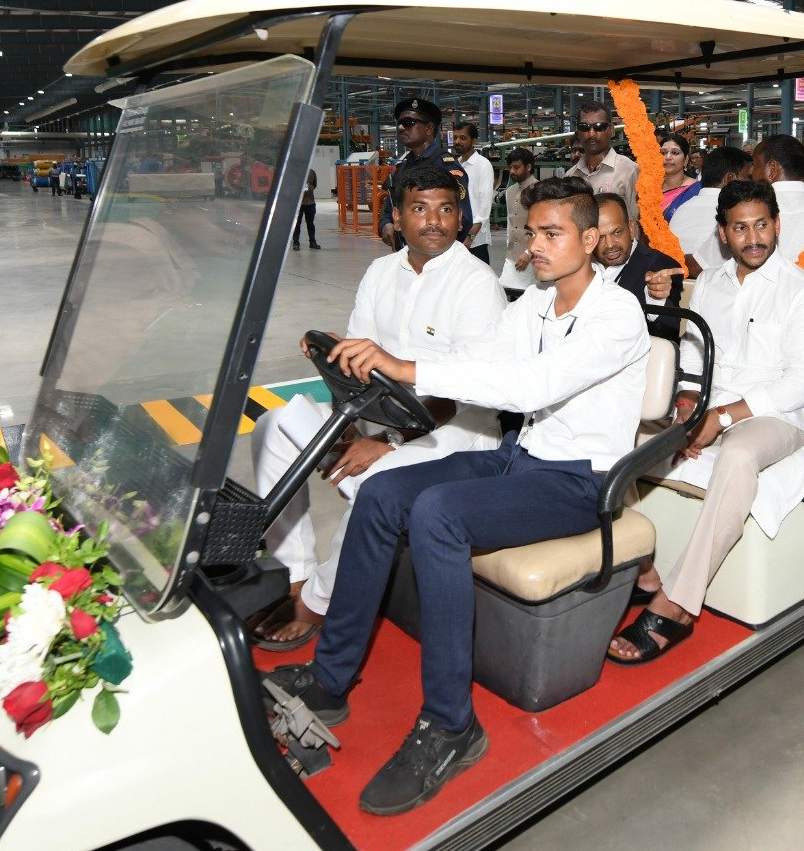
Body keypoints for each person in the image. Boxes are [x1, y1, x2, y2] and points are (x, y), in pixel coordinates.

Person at [263, 176, 649, 815]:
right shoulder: (534, 304)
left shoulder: (617, 315)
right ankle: (331, 678)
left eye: (553, 234)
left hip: (579, 481)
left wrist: (406, 366)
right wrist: (378, 359)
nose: (538, 245)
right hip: (518, 459)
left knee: (439, 514)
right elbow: (475, 359)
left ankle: (450, 724)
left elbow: (529, 386)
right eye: (533, 232)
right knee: (384, 491)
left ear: (590, 238)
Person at [250, 165, 506, 648]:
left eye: (446, 209)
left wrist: (384, 442)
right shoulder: (380, 272)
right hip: (375, 421)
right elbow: (357, 357)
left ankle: (319, 602)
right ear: (397, 216)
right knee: (273, 425)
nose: (434, 221)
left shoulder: (476, 285)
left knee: (379, 486)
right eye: (420, 209)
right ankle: (295, 574)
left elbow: (466, 390)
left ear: (460, 218)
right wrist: (341, 417)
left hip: (452, 438)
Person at [608, 179, 804, 664]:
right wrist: (689, 410)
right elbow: (695, 355)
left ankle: (680, 603)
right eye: (740, 228)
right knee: (620, 435)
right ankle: (645, 570)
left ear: (777, 225)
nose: (753, 238)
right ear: (723, 233)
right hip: (710, 404)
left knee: (738, 453)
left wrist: (723, 417)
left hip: (775, 416)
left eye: (761, 225)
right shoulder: (708, 283)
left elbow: (802, 384)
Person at [378, 97, 472, 250]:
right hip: (406, 254)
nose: (401, 127)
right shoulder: (403, 167)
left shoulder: (446, 166)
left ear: (428, 129)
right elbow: (391, 207)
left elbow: (463, 218)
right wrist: (386, 224)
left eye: (409, 123)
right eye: (400, 123)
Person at [594, 191, 683, 340]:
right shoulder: (581, 266)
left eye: (617, 232)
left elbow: (669, 335)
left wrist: (656, 301)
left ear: (630, 228)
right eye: (600, 237)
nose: (609, 244)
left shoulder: (662, 267)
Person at [671, 146, 750, 277]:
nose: (752, 183)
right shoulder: (734, 212)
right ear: (729, 179)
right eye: (748, 177)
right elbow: (699, 267)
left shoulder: (682, 208)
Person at [751, 134, 804, 265]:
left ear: (772, 169)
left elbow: (706, 262)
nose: (751, 172)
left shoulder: (749, 210)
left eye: (755, 165)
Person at [567, 99, 639, 221]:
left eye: (599, 127)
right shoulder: (570, 176)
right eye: (584, 127)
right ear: (578, 132)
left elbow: (640, 222)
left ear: (611, 130)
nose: (591, 134)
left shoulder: (629, 171)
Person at [453, 122, 495, 264]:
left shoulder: (483, 165)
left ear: (474, 141)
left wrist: (470, 236)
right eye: (455, 138)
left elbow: (485, 204)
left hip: (475, 239)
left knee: (479, 280)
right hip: (457, 234)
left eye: (463, 138)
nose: (457, 141)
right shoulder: (455, 165)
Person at [498, 147, 538, 291]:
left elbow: (542, 227)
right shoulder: (509, 192)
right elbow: (510, 224)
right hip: (511, 256)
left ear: (528, 166)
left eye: (516, 167)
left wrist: (529, 253)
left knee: (529, 299)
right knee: (504, 292)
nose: (512, 171)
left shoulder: (539, 190)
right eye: (510, 167)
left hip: (533, 259)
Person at [660, 134, 700, 219]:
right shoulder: (651, 189)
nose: (667, 157)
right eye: (663, 153)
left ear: (686, 160)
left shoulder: (696, 189)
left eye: (675, 153)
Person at [293, 168, 320, 250]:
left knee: (310, 223)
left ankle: (312, 242)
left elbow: (314, 184)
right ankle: (296, 243)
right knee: (297, 224)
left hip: (310, 202)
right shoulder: (294, 172)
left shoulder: (311, 172)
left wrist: (309, 190)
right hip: (298, 203)